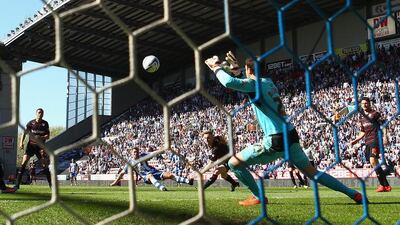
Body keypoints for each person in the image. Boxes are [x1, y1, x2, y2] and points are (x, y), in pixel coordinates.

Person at [205, 52, 363, 206]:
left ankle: (258, 197)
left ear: (250, 70)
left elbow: (229, 83)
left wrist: (216, 67)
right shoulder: (268, 83)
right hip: (290, 134)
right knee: (312, 173)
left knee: (234, 163)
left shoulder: (255, 85)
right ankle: (353, 193)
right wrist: (237, 71)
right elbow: (247, 85)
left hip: (276, 139)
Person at [349, 97, 392, 192]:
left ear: (369, 104)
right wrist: (355, 140)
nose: (364, 105)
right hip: (367, 142)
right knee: (374, 163)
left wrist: (385, 136)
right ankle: (384, 185)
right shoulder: (362, 118)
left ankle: (384, 185)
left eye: (366, 103)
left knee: (373, 161)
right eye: (363, 103)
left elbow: (384, 124)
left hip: (375, 140)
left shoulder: (375, 114)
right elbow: (362, 132)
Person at [110, 147, 194, 191]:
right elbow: (121, 173)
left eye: (137, 152)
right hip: (146, 177)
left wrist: (163, 149)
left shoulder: (143, 155)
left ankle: (188, 181)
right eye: (134, 152)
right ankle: (162, 188)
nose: (136, 153)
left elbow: (153, 153)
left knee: (169, 174)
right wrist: (114, 183)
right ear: (131, 153)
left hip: (154, 171)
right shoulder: (130, 162)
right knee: (150, 176)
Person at [15, 108, 51, 189]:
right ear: (36, 113)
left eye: (42, 113)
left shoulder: (45, 124)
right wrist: (21, 142)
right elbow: (24, 133)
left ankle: (51, 185)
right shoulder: (31, 123)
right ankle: (17, 185)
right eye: (39, 112)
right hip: (30, 146)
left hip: (40, 147)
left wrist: (40, 137)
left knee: (45, 165)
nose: (40, 114)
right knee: (23, 163)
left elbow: (48, 136)